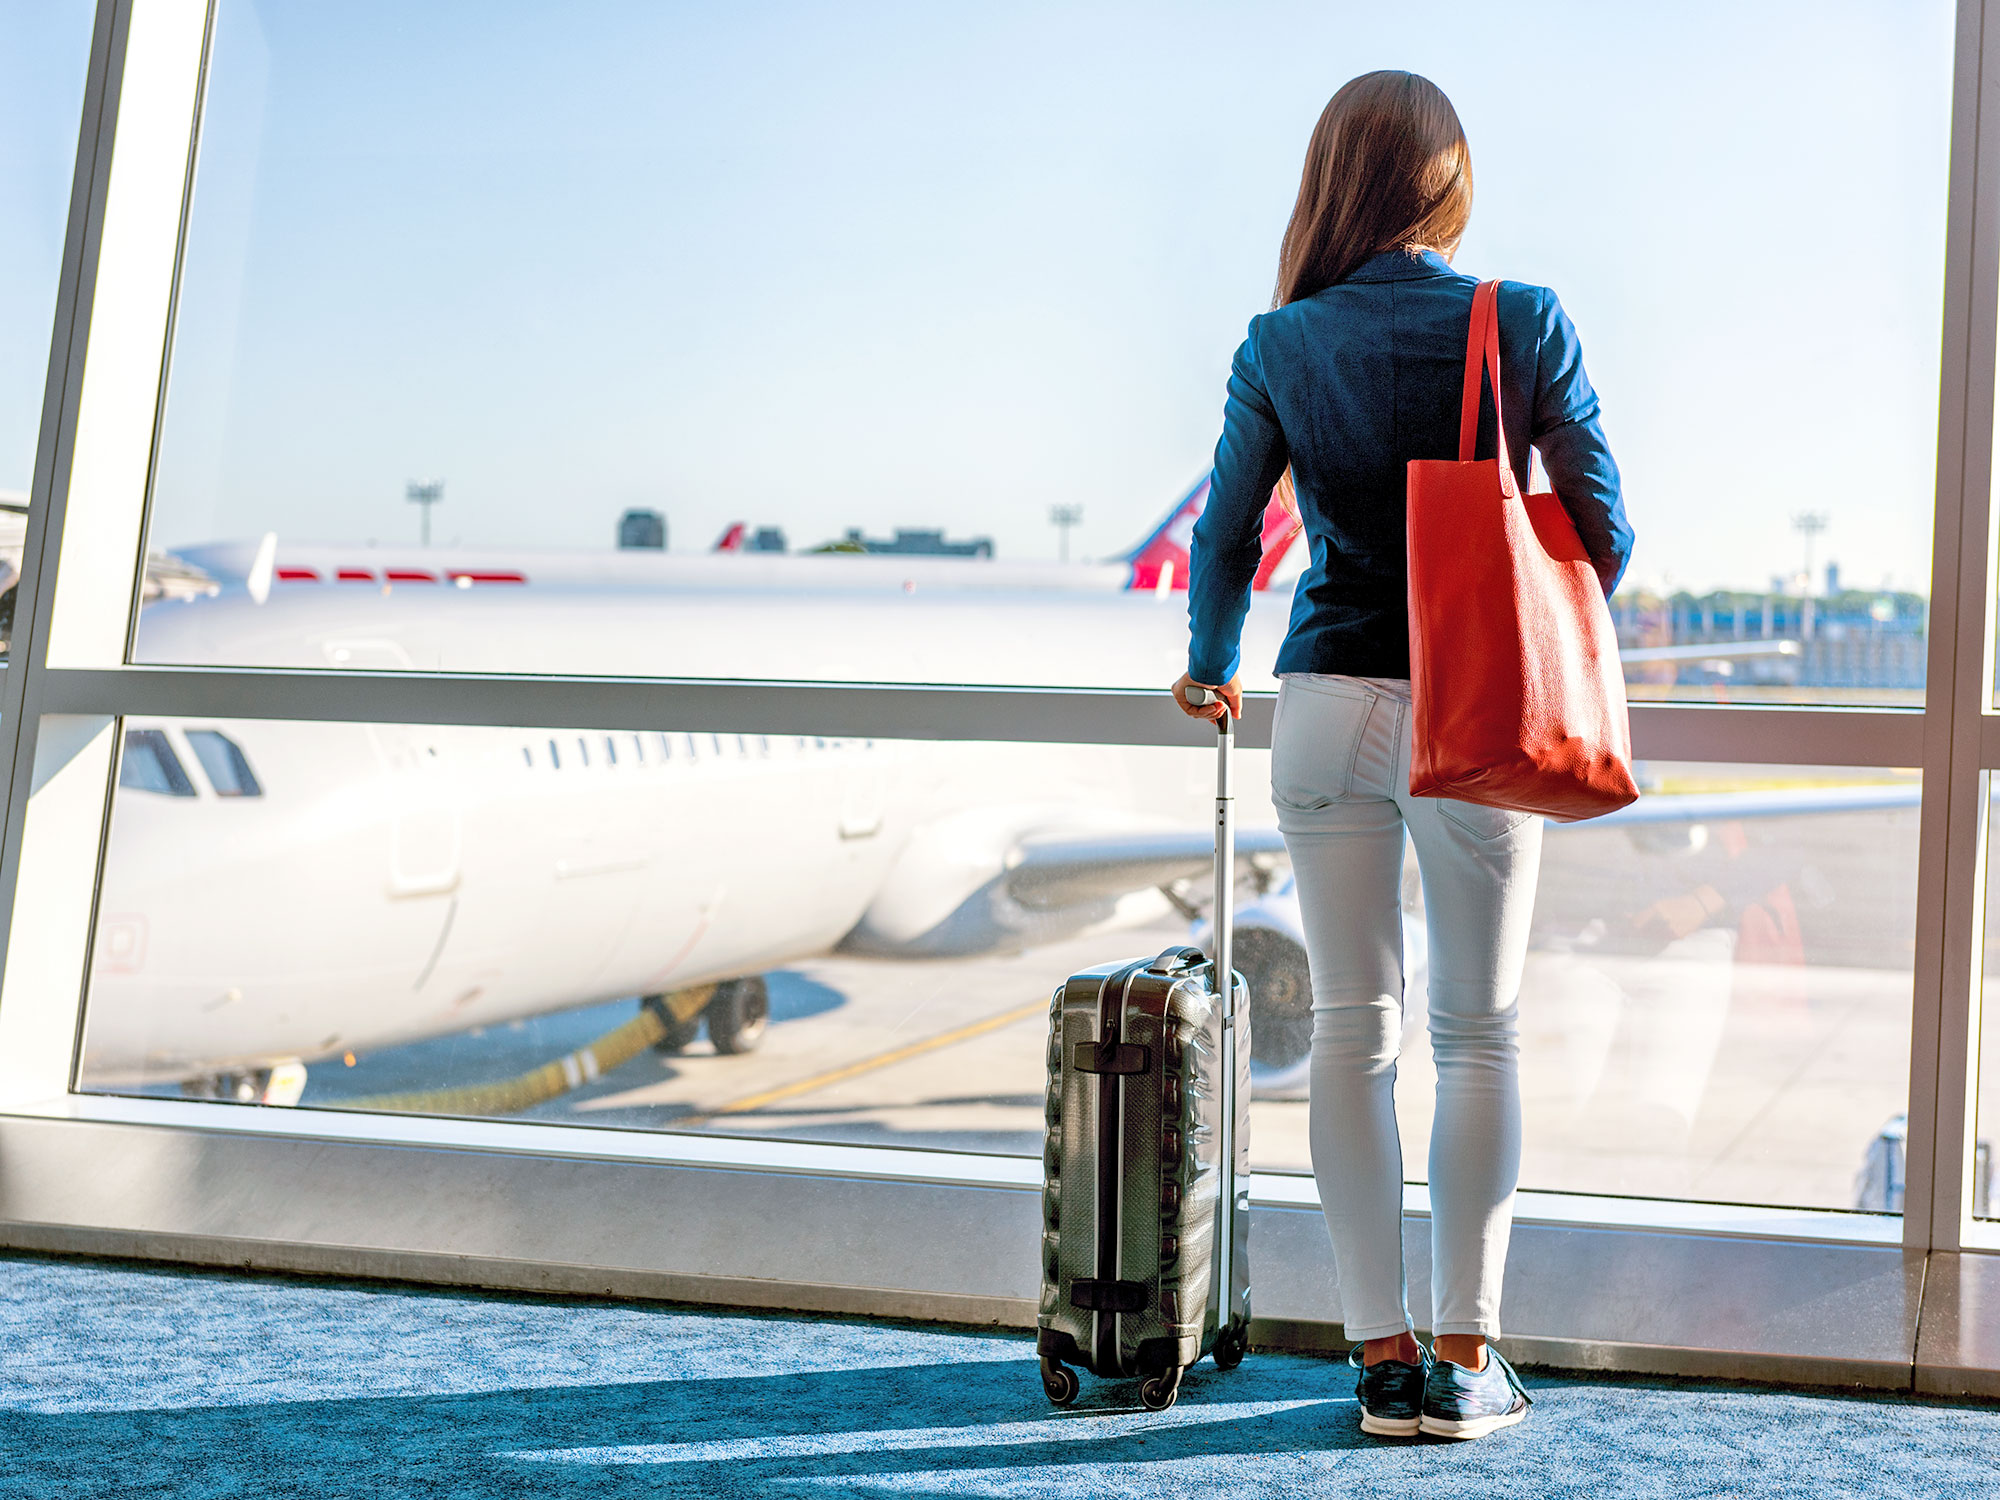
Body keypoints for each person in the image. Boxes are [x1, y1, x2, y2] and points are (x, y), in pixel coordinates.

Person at [1172, 70, 1632, 1441]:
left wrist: (1210, 665)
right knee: (1475, 1032)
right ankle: (1466, 1361)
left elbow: (1226, 537)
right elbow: (1603, 526)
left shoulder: (1279, 340)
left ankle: (1377, 1364)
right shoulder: (1522, 321)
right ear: (1446, 182)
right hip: (1472, 708)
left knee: (1353, 1040)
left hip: (1318, 703)